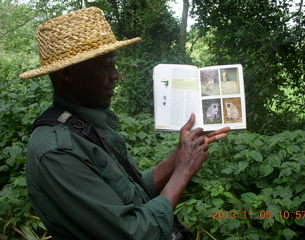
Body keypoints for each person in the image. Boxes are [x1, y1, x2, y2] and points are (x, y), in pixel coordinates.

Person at [20, 7, 230, 240]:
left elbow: (134, 191)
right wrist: (182, 173)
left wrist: (180, 156)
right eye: (105, 65)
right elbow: (132, 232)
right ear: (68, 73)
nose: (116, 75)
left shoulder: (82, 126)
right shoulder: (57, 151)